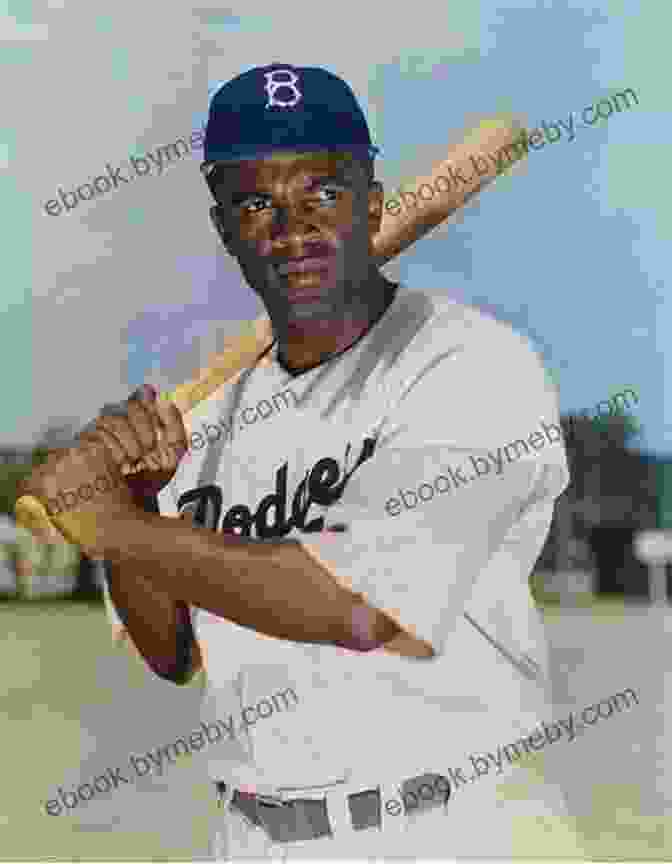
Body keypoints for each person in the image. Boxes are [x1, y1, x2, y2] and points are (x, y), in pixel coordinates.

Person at [21, 64, 585, 858]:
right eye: (257, 203)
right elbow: (173, 652)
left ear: (375, 204)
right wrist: (142, 502)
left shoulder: (469, 367)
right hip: (252, 832)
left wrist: (112, 527)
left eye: (323, 192)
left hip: (447, 827)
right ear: (224, 228)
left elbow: (353, 609)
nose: (293, 228)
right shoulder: (205, 414)